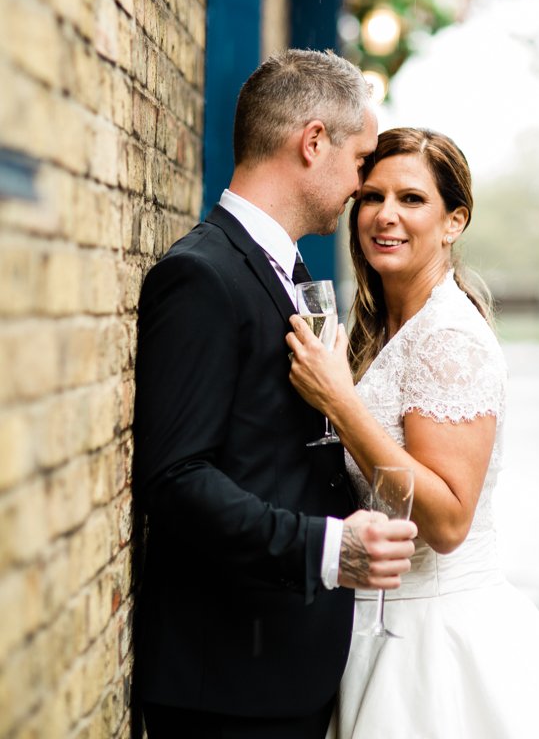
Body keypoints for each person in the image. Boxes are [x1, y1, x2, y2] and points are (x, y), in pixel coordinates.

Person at [133, 50, 417, 739]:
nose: (360, 183)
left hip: (282, 669)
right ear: (313, 142)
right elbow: (174, 479)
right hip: (226, 684)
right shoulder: (201, 276)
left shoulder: (281, 270)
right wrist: (323, 548)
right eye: (359, 160)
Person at [287, 126, 539, 739]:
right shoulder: (381, 329)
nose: (384, 216)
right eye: (371, 197)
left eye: (411, 199)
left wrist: (339, 404)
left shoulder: (447, 339)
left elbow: (449, 522)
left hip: (436, 641)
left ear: (454, 221)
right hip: (373, 630)